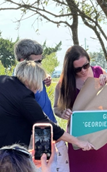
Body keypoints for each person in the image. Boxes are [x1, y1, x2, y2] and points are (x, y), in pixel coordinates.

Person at [0, 61, 93, 150]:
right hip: (8, 151)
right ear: (33, 79)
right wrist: (78, 142)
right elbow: (46, 124)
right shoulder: (24, 97)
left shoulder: (3, 80)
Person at [54, 45, 107, 172]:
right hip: (78, 136)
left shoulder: (99, 72)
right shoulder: (64, 83)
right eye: (78, 69)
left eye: (86, 65)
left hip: (102, 133)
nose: (83, 70)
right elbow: (56, 108)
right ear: (70, 69)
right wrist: (64, 113)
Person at [14, 39, 69, 172]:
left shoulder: (37, 76)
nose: (40, 65)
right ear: (23, 61)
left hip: (54, 135)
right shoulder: (16, 87)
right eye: (37, 62)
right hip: (38, 139)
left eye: (40, 61)